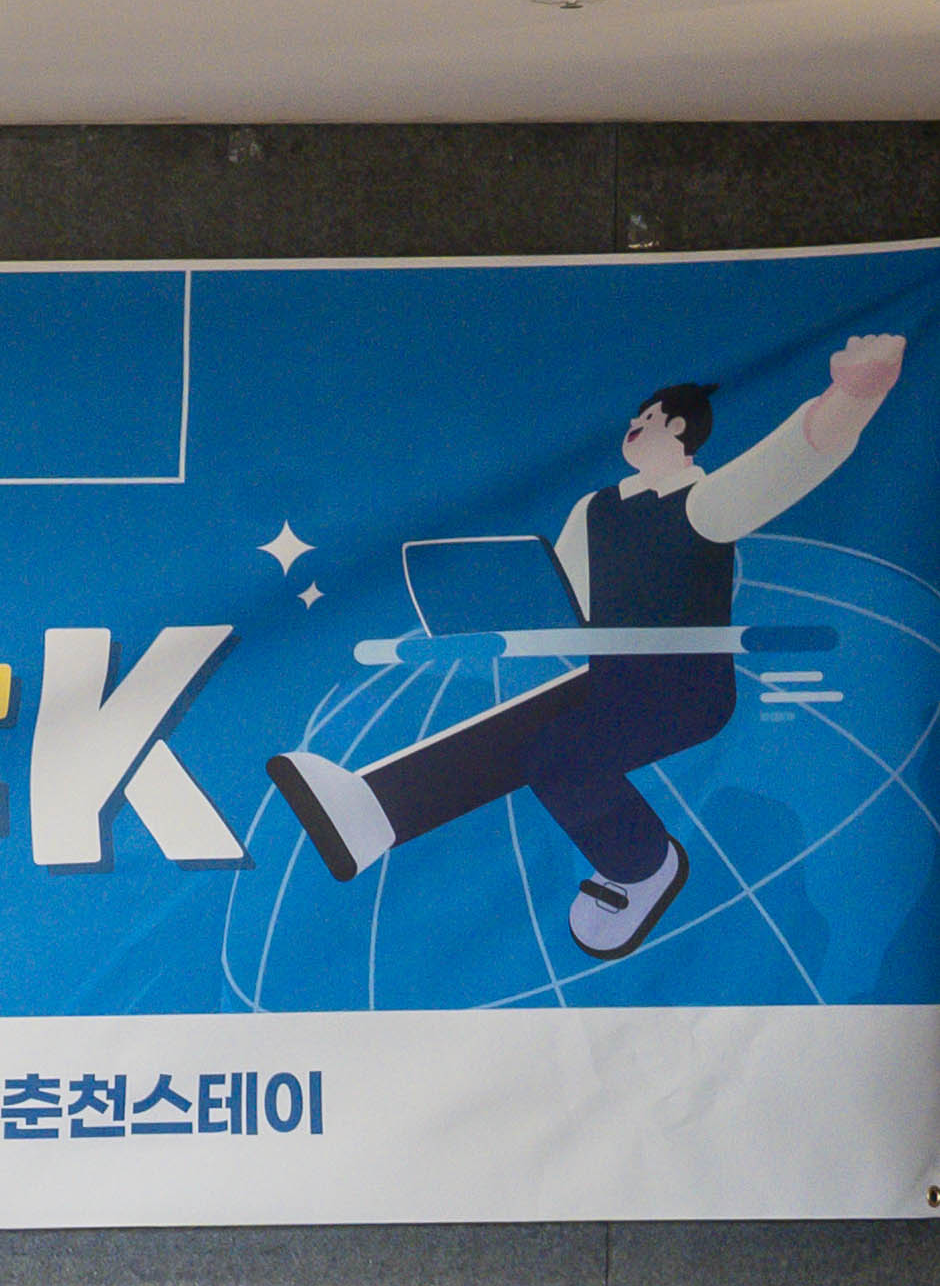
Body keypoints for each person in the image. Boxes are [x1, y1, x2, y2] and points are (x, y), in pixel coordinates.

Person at [267, 331, 902, 958]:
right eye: (634, 419)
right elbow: (560, 595)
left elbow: (785, 465)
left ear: (680, 431)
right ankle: (373, 810)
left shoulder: (702, 503)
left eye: (649, 420)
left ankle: (643, 866)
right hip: (612, 676)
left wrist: (853, 396)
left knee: (559, 752)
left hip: (685, 691)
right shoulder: (596, 510)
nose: (634, 426)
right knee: (511, 730)